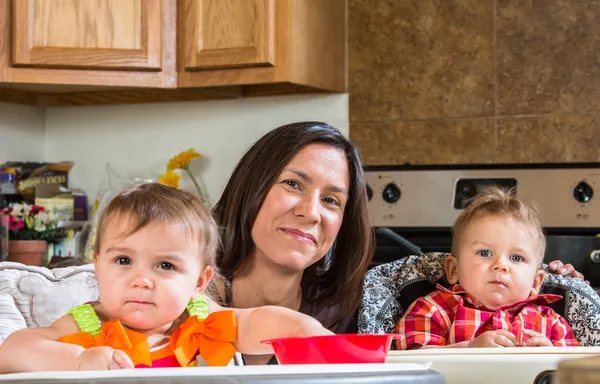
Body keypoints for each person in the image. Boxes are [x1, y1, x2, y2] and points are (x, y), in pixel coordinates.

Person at [208, 122, 584, 364]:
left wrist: (548, 278)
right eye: (293, 184)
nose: (311, 212)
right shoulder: (177, 292)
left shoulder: (351, 307)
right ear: (252, 186)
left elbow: (397, 360)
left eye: (331, 200)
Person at [0, 183, 332, 373]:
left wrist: (304, 329)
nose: (141, 279)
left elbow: (254, 321)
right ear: (98, 266)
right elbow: (13, 350)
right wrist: (79, 360)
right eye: (124, 260)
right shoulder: (88, 326)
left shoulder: (199, 320)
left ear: (199, 282)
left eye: (165, 266)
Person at [396, 187, 580, 349]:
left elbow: (577, 374)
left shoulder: (553, 323)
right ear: (453, 270)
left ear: (535, 281)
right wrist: (469, 349)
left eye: (516, 257)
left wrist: (550, 357)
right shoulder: (434, 309)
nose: (501, 265)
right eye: (484, 253)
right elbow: (414, 362)